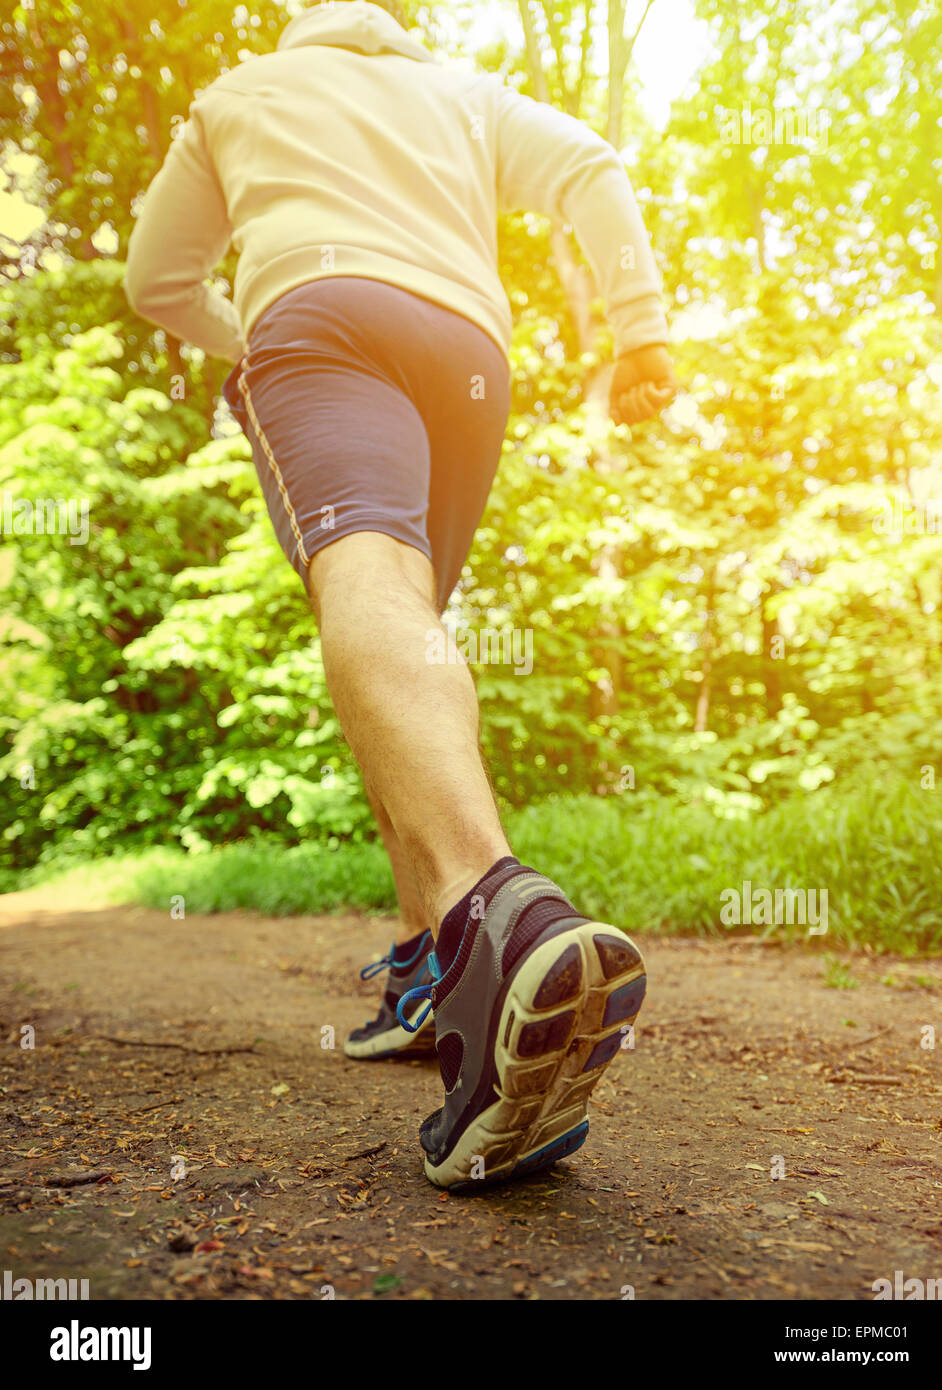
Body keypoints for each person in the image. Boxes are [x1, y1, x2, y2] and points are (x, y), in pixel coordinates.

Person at [124, 0, 677, 1189]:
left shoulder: (238, 96)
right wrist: (636, 329)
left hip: (321, 321)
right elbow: (588, 163)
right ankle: (436, 969)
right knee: (402, 636)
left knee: (363, 584)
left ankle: (498, 915)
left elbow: (153, 279)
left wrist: (250, 332)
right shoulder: (459, 94)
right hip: (468, 353)